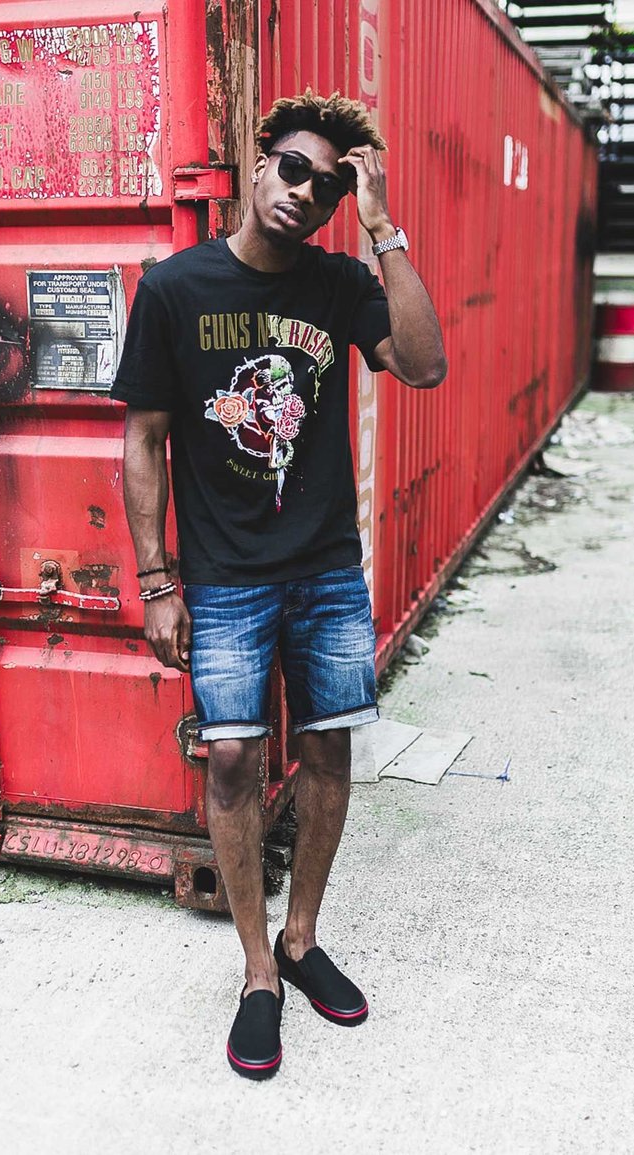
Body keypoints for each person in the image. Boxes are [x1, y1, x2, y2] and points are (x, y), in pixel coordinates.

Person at [110, 90, 447, 1080]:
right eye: (293, 168)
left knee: (329, 748)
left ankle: (301, 940)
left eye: (328, 186)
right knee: (229, 760)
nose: (305, 191)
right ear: (259, 165)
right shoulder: (173, 289)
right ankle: (257, 971)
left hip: (325, 569)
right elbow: (143, 440)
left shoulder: (339, 283)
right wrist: (157, 580)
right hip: (223, 580)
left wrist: (382, 229)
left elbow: (424, 365)